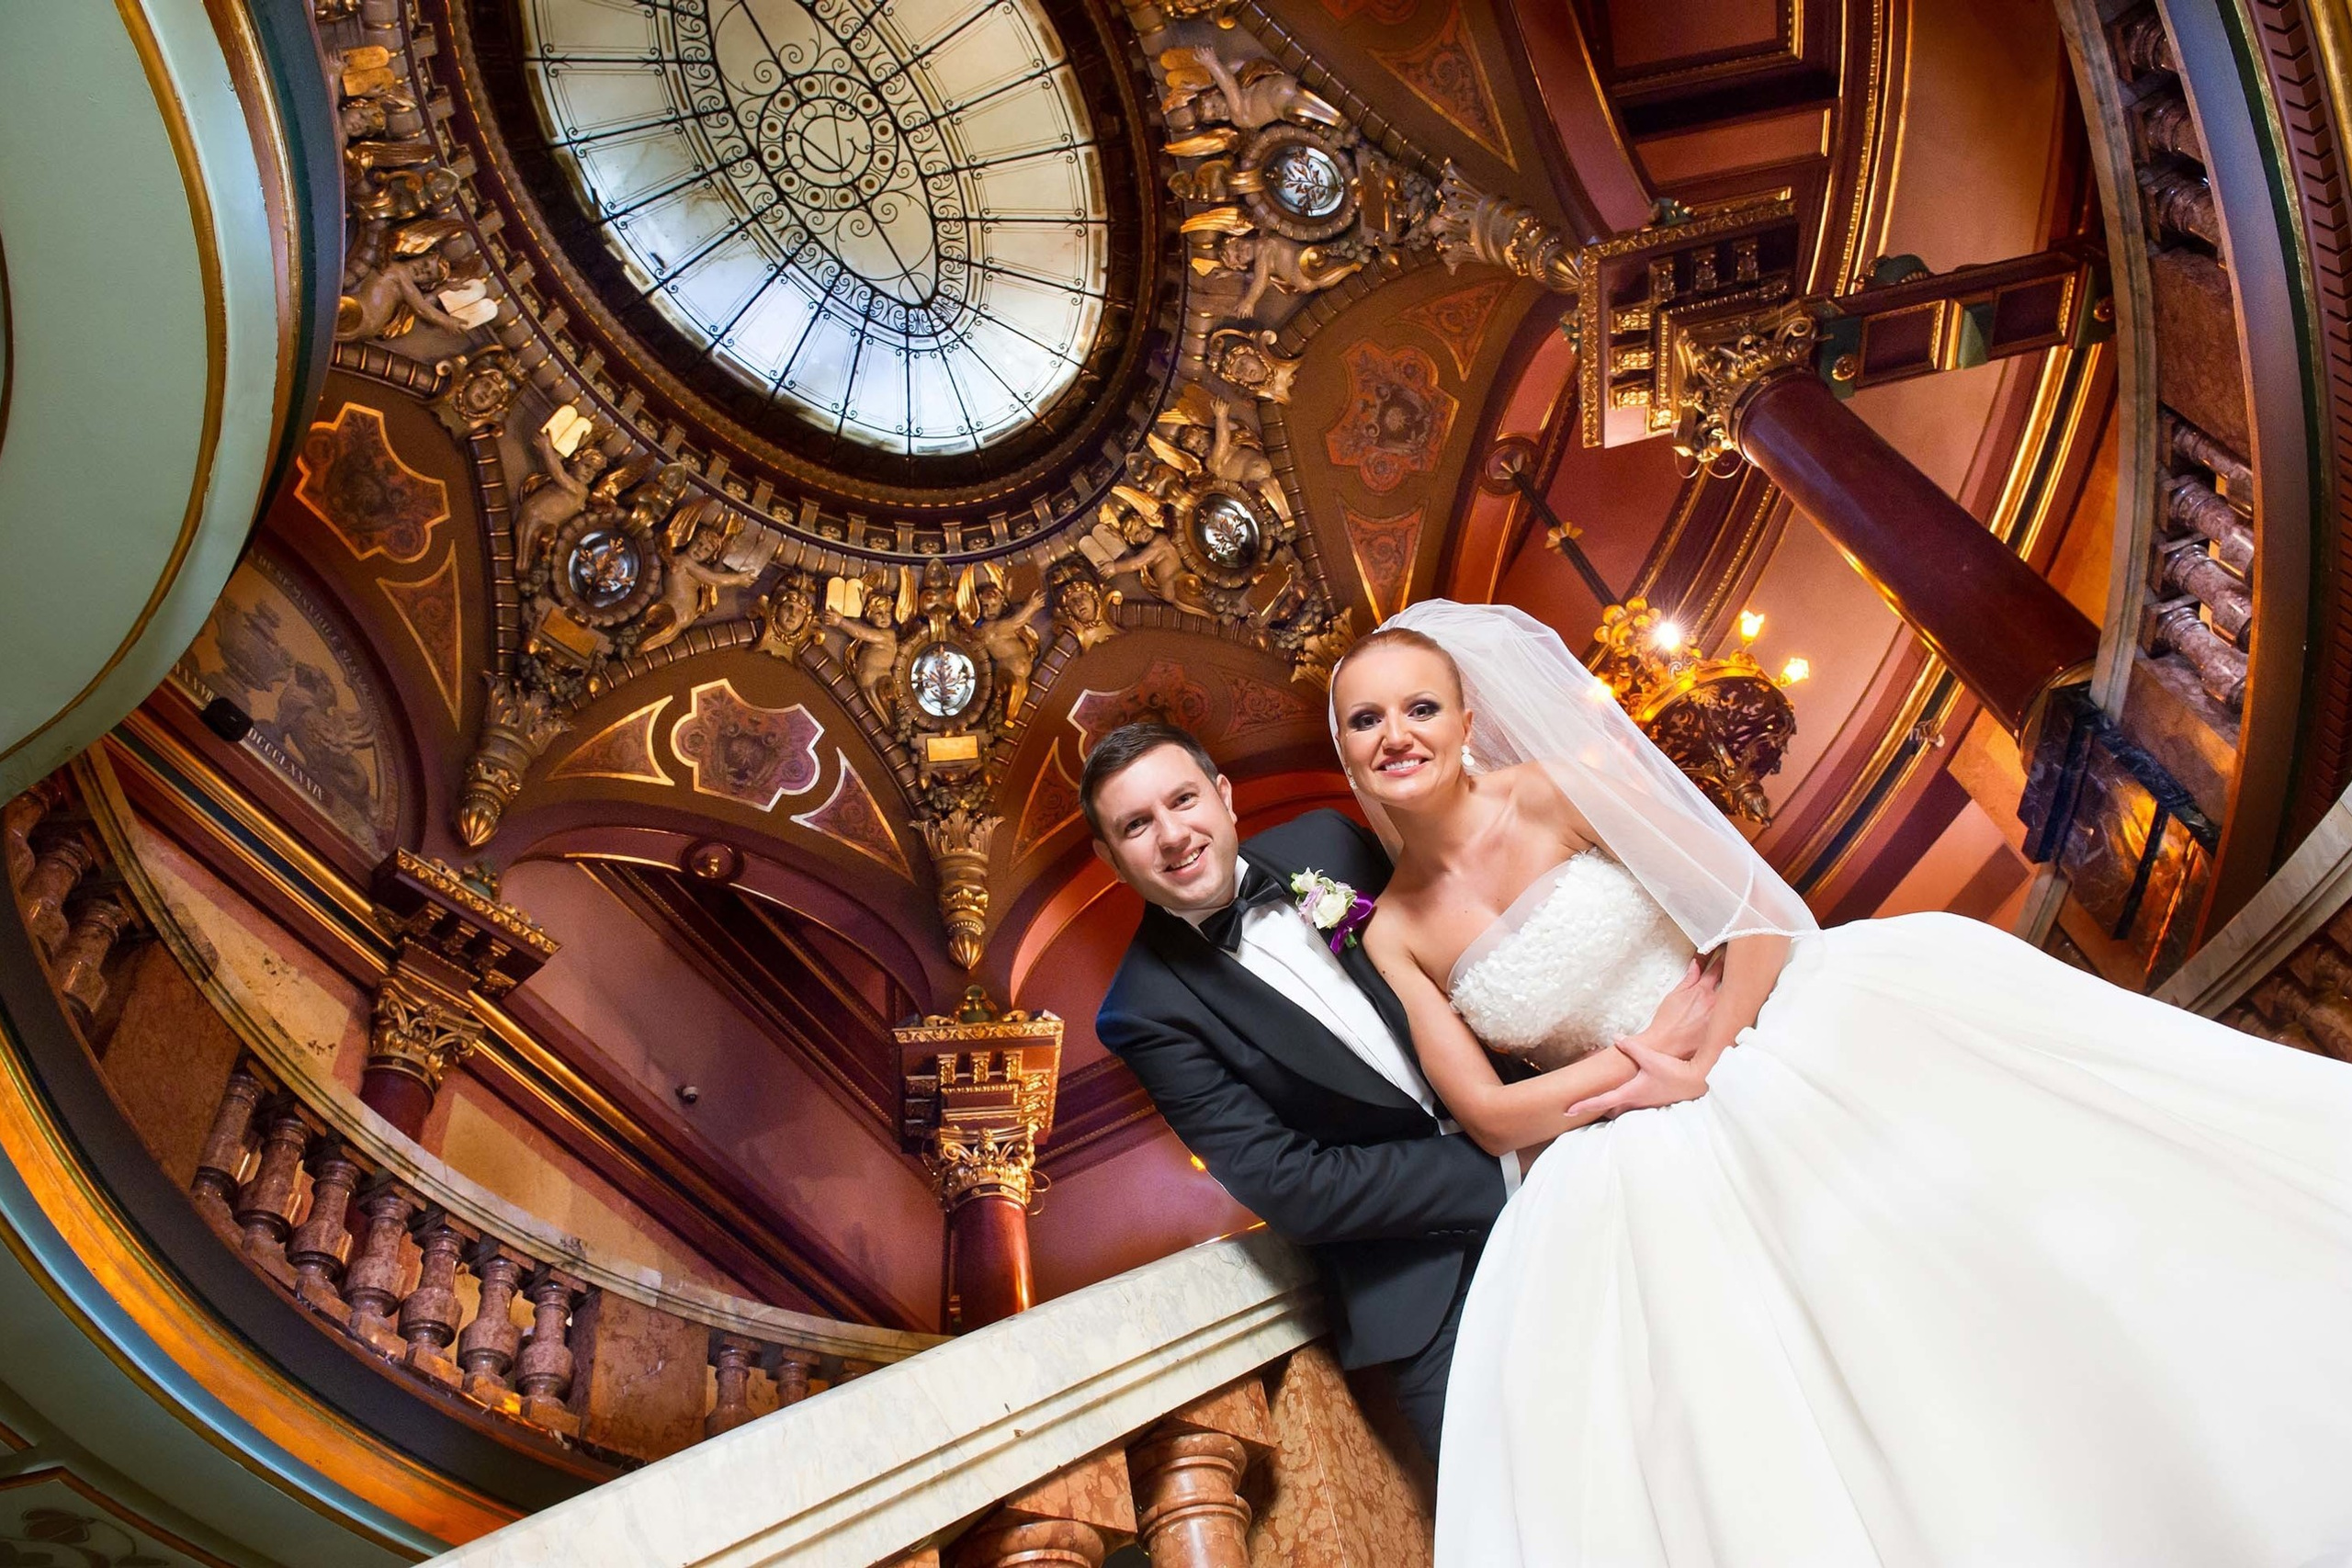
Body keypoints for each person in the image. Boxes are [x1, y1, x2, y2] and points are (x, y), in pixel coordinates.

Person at [1331, 598, 2352, 1568]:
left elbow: (1754, 915)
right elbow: (1490, 1113)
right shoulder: (1396, 930)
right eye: (1365, 719)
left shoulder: (1555, 789)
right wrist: (1644, 1070)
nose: (1397, 734)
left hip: (1767, 1027)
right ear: (1347, 750)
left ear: (1467, 717)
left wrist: (1702, 1054)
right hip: (1626, 1131)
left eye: (1419, 705)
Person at [1085, 721, 1720, 1461]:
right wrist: (1515, 1155)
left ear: (1223, 797)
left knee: (1695, 1413)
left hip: (1592, 1159)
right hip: (1426, 1285)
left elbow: (1467, 939)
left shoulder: (1328, 844)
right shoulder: (1143, 1010)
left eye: (1182, 799)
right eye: (1136, 825)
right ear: (1110, 857)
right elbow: (1294, 1186)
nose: (1171, 834)